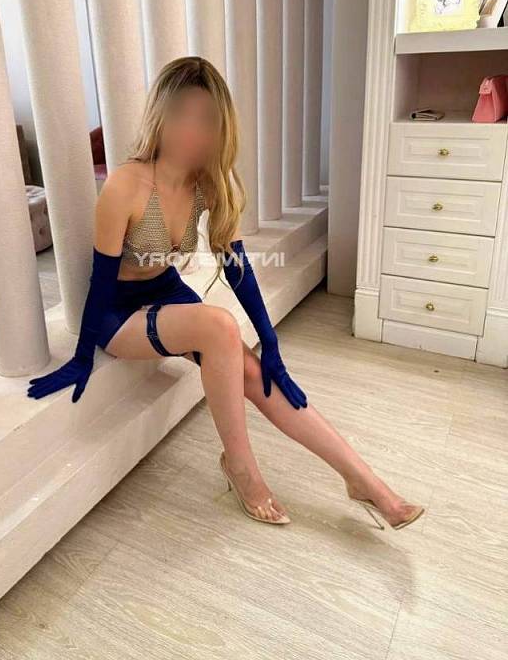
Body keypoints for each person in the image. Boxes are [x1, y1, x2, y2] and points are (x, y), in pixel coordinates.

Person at [27, 56, 424, 530]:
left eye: (206, 119)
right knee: (218, 325)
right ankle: (240, 467)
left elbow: (237, 267)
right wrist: (81, 358)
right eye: (181, 114)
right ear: (159, 114)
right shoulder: (126, 185)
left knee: (257, 371)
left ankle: (364, 481)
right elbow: (100, 283)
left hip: (166, 292)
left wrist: (271, 343)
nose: (191, 131)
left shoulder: (207, 182)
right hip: (118, 312)